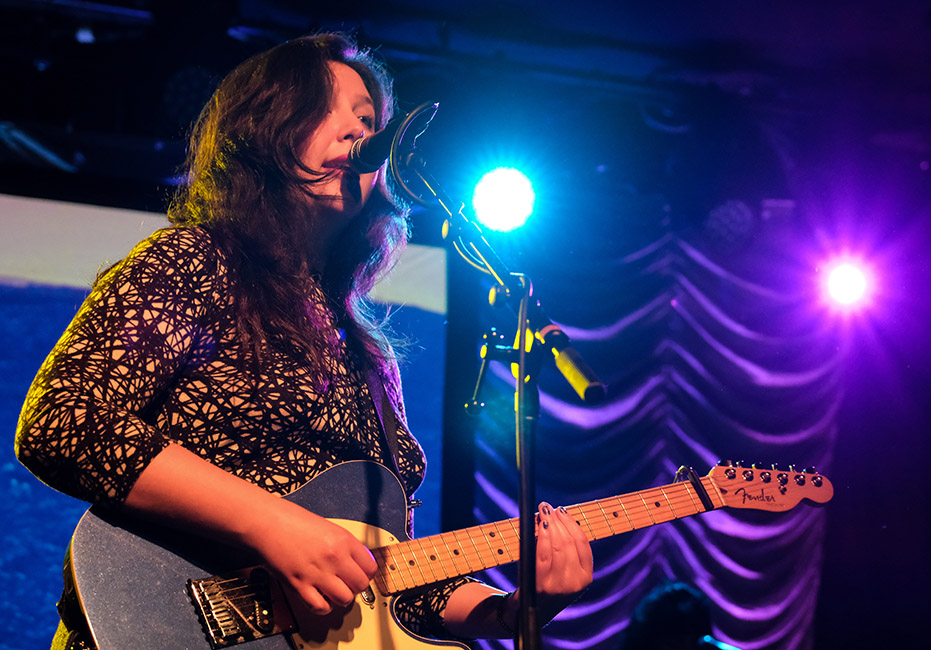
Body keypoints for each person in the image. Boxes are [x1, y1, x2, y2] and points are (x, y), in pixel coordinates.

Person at [15, 32, 592, 649]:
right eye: (327, 109)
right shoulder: (199, 262)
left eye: (368, 120)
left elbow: (387, 581)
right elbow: (62, 423)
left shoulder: (367, 355)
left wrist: (517, 608)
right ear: (265, 127)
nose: (356, 133)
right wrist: (273, 525)